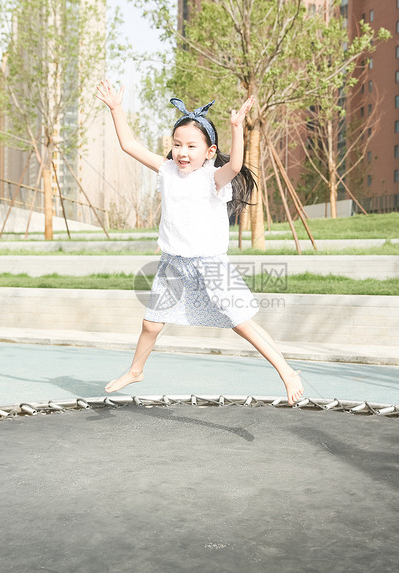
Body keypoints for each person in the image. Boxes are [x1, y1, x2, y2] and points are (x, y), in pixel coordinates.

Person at [95, 79, 304, 405]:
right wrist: (116, 107)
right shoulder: (165, 170)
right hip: (173, 264)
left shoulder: (213, 178)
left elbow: (235, 165)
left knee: (241, 324)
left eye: (192, 146)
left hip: (209, 264)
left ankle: (286, 371)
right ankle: (136, 370)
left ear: (208, 152)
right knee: (150, 323)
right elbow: (129, 145)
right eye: (178, 144)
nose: (182, 152)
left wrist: (237, 129)